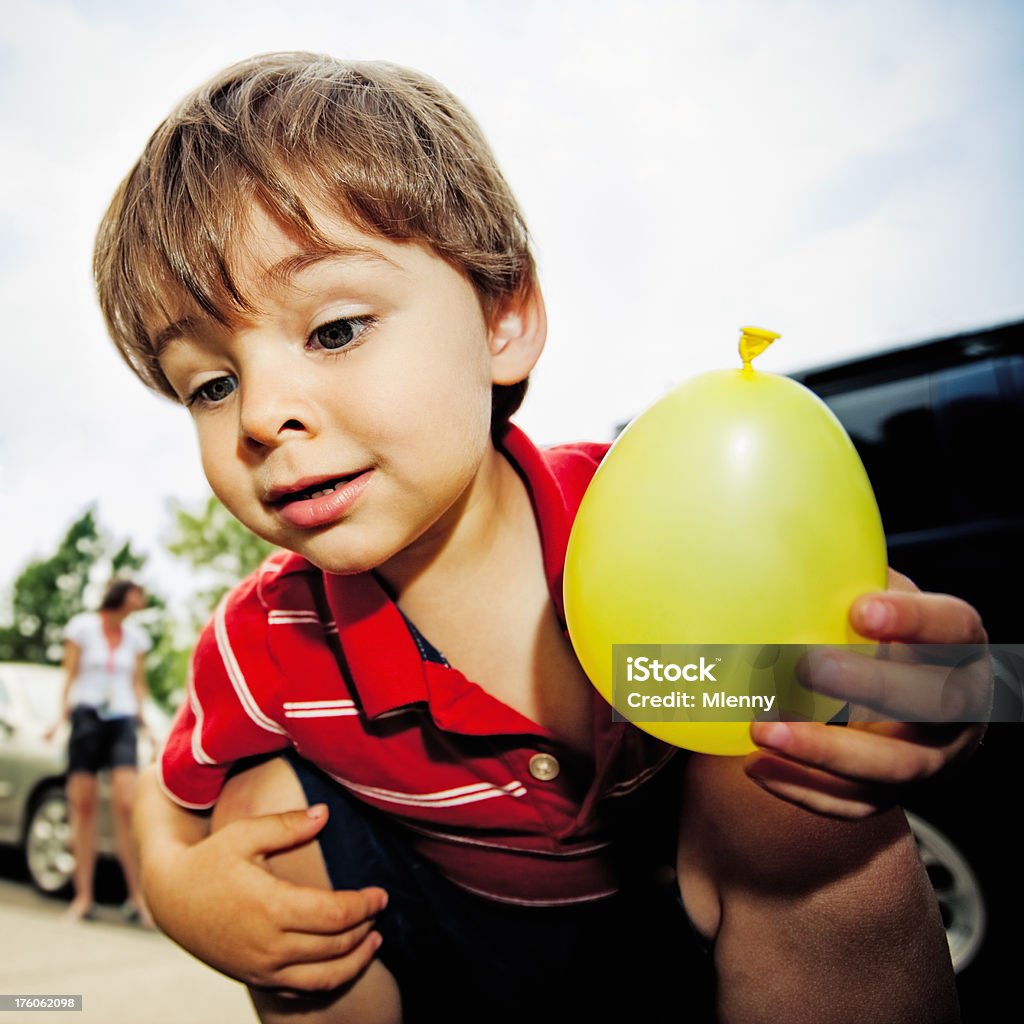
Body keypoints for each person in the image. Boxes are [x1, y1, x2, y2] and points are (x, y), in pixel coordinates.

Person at [92, 52, 989, 1021]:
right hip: (437, 952)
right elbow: (163, 806)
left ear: (505, 318)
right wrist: (188, 901)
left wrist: (932, 696)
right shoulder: (270, 641)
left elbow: (916, 667)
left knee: (782, 766)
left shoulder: (652, 511)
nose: (262, 414)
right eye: (211, 383)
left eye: (336, 329)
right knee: (256, 816)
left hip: (673, 922)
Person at [47, 580, 155, 927]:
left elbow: (138, 684)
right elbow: (70, 673)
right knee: (83, 805)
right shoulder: (82, 627)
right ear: (123, 595)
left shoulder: (137, 639)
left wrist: (147, 725)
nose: (143, 600)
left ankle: (138, 899)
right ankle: (83, 897)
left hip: (121, 718)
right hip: (87, 716)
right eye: (138, 593)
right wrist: (60, 716)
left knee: (127, 803)